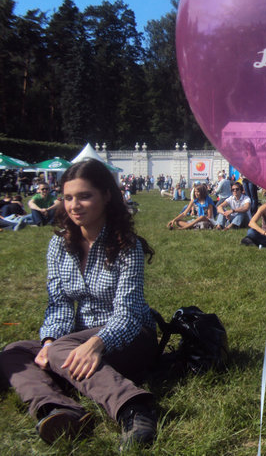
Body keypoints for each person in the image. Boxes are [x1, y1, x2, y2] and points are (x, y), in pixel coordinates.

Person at [0, 159, 158, 448]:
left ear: (106, 196)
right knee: (14, 352)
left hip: (131, 335)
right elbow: (58, 303)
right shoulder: (59, 244)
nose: (74, 205)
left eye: (85, 196)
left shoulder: (126, 245)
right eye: (68, 197)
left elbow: (129, 313)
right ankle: (57, 409)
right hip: (77, 338)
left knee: (62, 350)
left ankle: (133, 407)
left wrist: (96, 343)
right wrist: (48, 341)